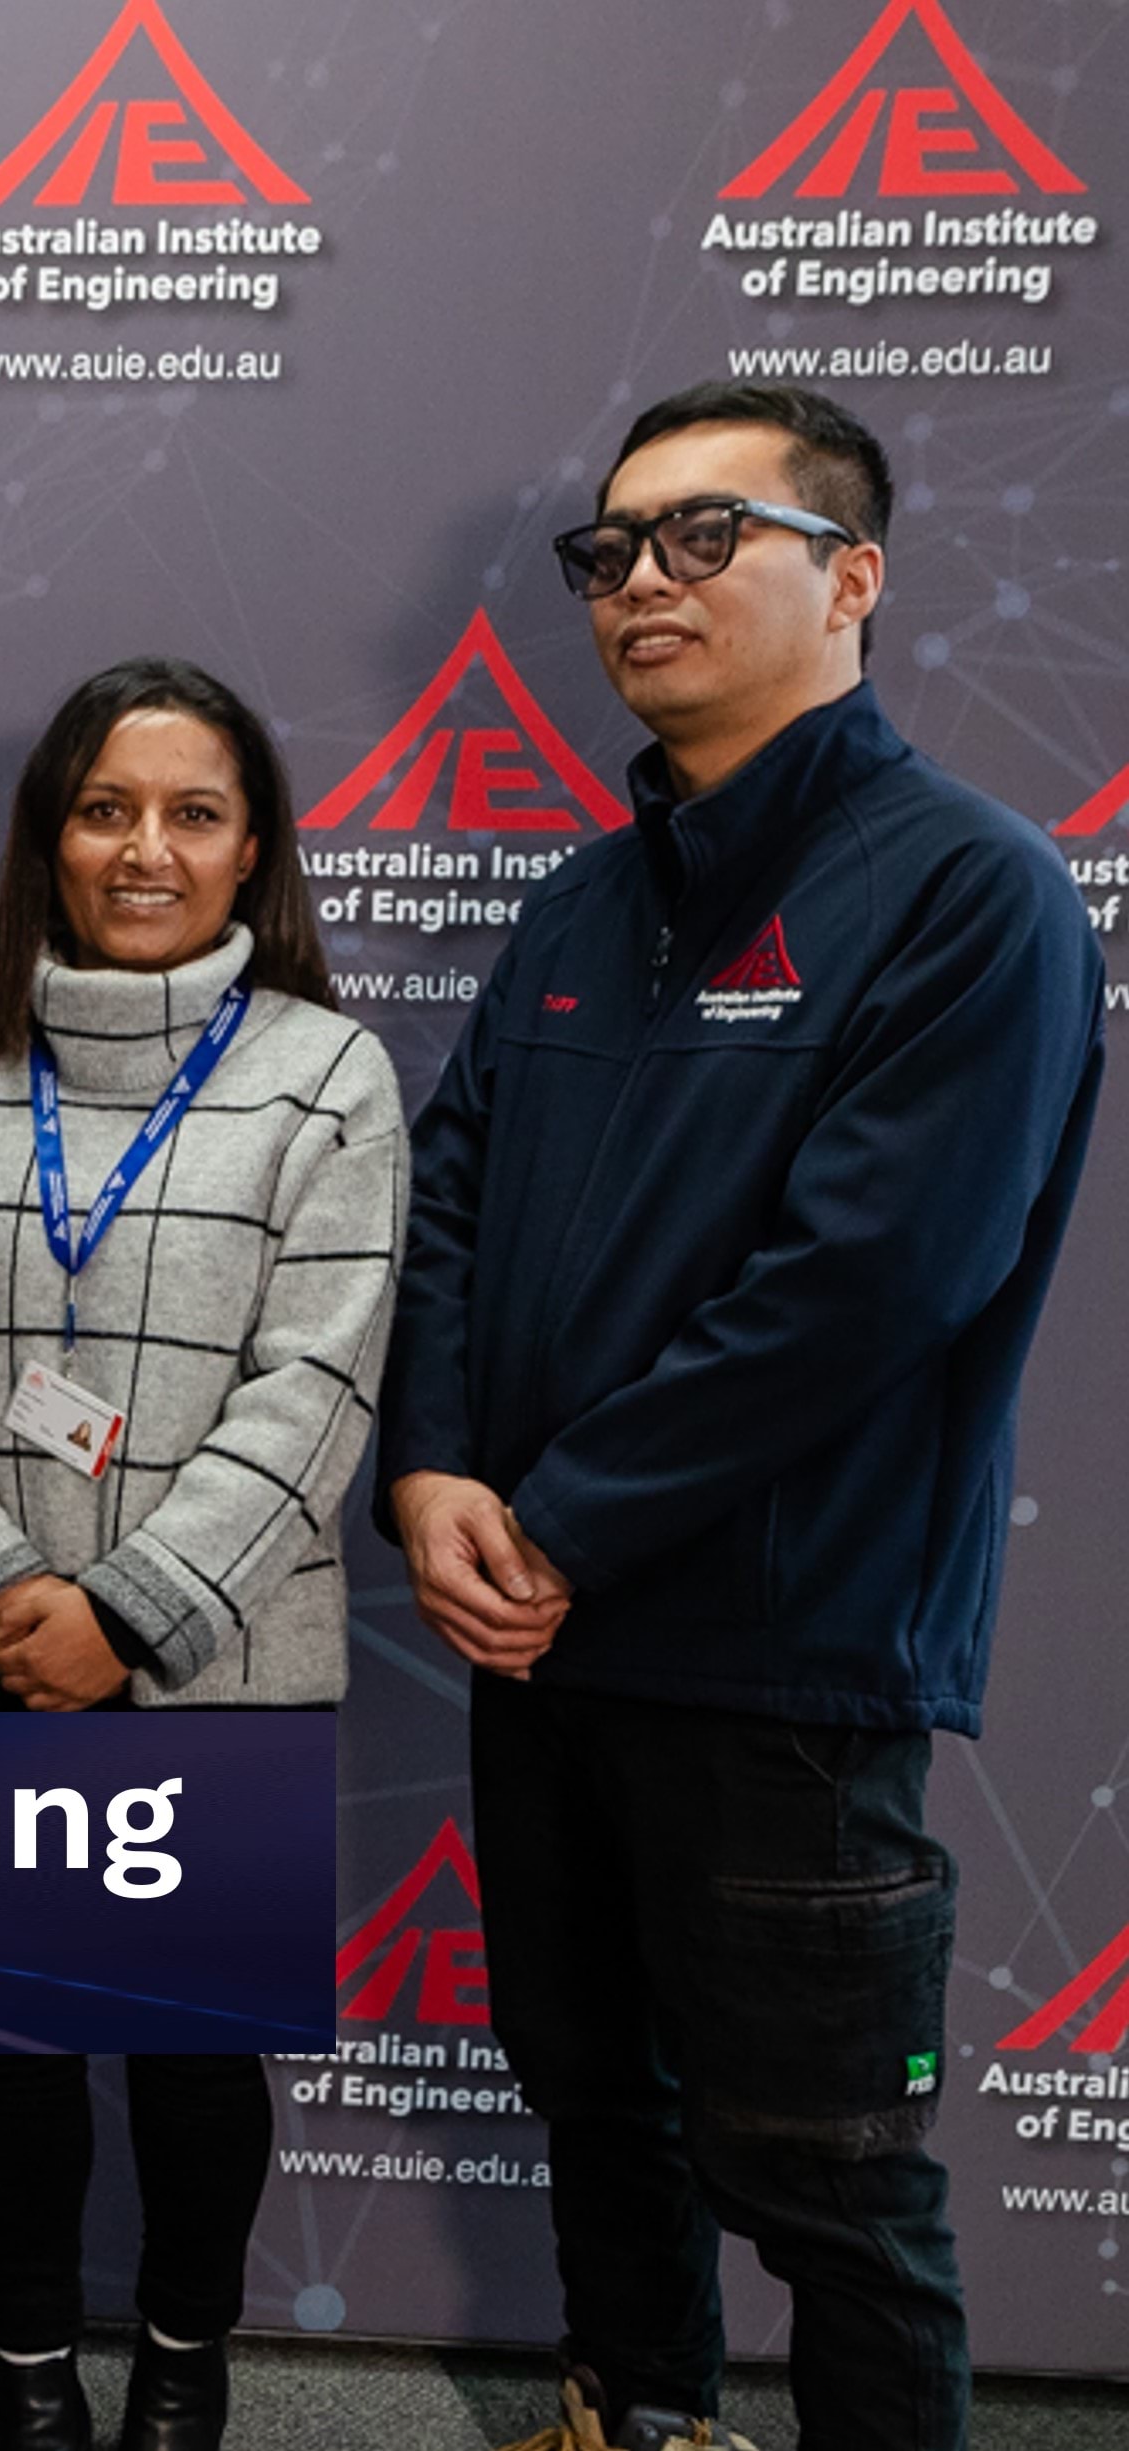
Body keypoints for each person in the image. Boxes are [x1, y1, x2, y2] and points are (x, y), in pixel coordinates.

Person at [381, 382, 1103, 2451]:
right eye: (610, 551)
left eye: (704, 538)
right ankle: (640, 2420)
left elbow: (867, 1287)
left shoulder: (974, 895)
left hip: (784, 1663)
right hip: (546, 1638)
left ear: (851, 576)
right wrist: (433, 1473)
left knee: (830, 2181)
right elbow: (453, 1196)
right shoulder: (582, 904)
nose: (638, 584)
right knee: (595, 2105)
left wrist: (562, 1520)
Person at [0, 659, 406, 2451]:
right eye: (106, 809)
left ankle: (183, 2367)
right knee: (8, 2056)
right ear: (48, 834)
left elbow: (317, 1388)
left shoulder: (325, 1073)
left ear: (251, 848)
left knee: (190, 2059)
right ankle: (29, 2383)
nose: (145, 850)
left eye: (192, 813)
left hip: (218, 1659)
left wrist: (125, 1616)